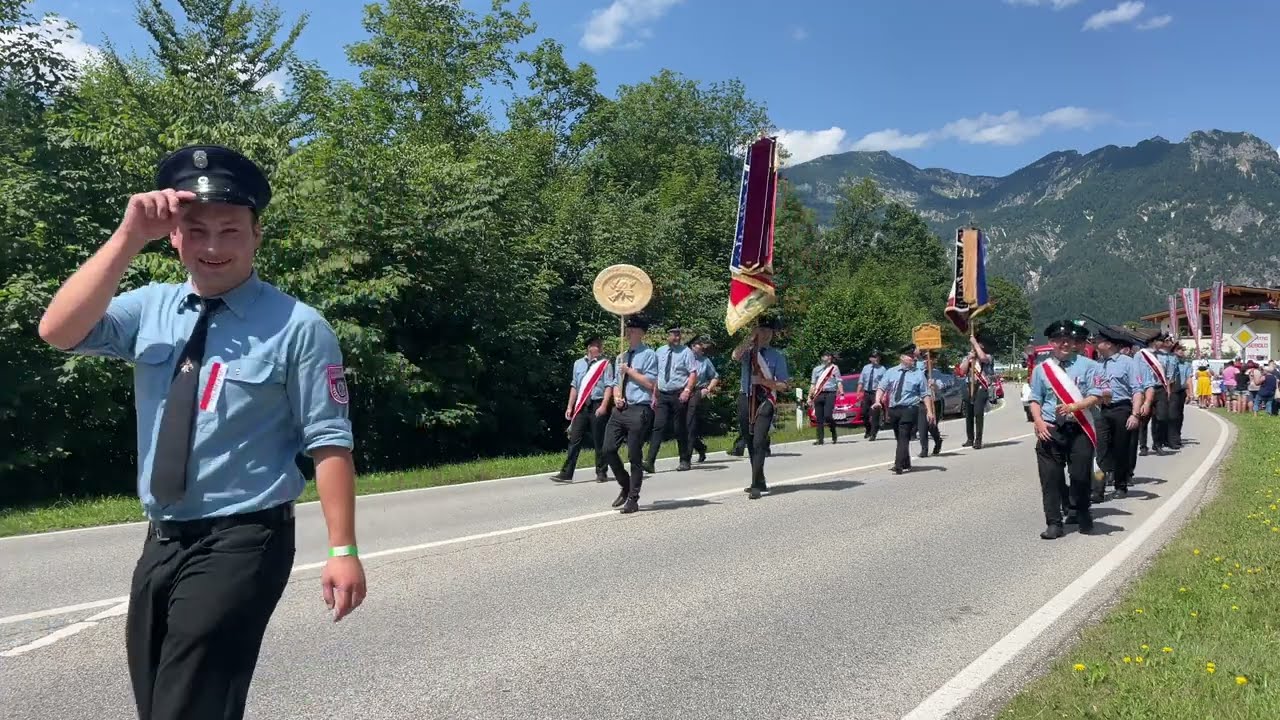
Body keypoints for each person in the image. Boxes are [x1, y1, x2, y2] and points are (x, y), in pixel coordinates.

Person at [37, 145, 365, 720]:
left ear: (257, 234)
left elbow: (328, 439)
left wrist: (344, 550)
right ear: (174, 237)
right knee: (162, 703)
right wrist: (127, 237)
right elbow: (58, 331)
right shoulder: (151, 308)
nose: (213, 246)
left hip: (245, 539)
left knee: (184, 709)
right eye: (197, 231)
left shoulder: (299, 327)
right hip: (163, 538)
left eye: (230, 230)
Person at [1028, 321, 1107, 539]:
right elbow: (1035, 399)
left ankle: (1082, 514)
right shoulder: (1041, 370)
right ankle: (1054, 523)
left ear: (1073, 342)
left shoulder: (1088, 365)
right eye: (1059, 340)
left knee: (1080, 476)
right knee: (1050, 478)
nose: (1064, 343)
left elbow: (1097, 395)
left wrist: (1076, 406)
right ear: (1051, 342)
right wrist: (1038, 421)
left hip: (1079, 427)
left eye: (1068, 340)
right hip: (1051, 428)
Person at [601, 315, 658, 514]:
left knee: (634, 455)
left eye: (634, 329)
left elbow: (651, 383)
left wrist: (630, 371)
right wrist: (617, 397)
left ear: (642, 333)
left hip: (639, 408)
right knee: (608, 449)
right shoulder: (621, 356)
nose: (629, 332)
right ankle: (625, 484)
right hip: (621, 409)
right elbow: (616, 383)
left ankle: (633, 498)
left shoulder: (649, 355)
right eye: (628, 329)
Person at [732, 315, 790, 499]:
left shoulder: (777, 356)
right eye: (762, 330)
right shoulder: (748, 352)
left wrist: (764, 381)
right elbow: (735, 355)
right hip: (746, 396)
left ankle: (755, 485)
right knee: (749, 441)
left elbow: (783, 385)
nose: (765, 334)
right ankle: (760, 477)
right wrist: (750, 338)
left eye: (768, 331)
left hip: (765, 400)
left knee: (758, 441)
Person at [1092, 328, 1150, 501]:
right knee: (1100, 452)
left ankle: (1120, 485)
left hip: (1121, 409)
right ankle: (1098, 488)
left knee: (1121, 450)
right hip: (1102, 410)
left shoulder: (1128, 363)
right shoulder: (1097, 364)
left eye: (1098, 341)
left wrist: (1135, 414)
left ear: (1109, 344)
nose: (1095, 344)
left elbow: (1137, 390)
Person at [553, 336, 613, 483]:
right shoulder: (578, 364)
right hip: (581, 405)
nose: (600, 347)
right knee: (574, 439)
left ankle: (601, 472)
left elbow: (608, 386)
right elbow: (575, 386)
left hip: (597, 403)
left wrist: (604, 405)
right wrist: (570, 406)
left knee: (599, 440)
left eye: (600, 345)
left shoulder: (605, 364)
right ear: (589, 347)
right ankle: (567, 473)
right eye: (597, 345)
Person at [644, 325, 698, 473]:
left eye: (678, 334)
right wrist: (654, 394)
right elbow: (656, 374)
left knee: (679, 428)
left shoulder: (686, 352)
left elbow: (693, 373)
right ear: (667, 336)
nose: (677, 338)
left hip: (678, 394)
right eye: (673, 335)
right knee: (658, 426)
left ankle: (684, 460)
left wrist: (687, 390)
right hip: (662, 394)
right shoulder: (659, 351)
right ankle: (650, 462)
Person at [873, 344, 934, 475]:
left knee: (904, 434)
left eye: (913, 357)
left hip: (910, 408)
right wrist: (877, 401)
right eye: (910, 357)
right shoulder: (891, 372)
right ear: (902, 357)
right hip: (894, 409)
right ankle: (906, 462)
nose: (913, 359)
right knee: (899, 437)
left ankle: (898, 464)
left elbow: (925, 394)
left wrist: (929, 411)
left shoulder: (918, 374)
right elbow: (881, 387)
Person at [956, 334, 994, 449]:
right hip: (969, 385)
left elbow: (982, 358)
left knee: (978, 413)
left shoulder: (988, 356)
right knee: (969, 414)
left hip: (981, 386)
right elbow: (962, 370)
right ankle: (970, 438)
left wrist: (975, 343)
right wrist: (969, 358)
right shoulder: (969, 356)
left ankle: (978, 440)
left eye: (979, 344)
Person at [688, 337, 720, 463]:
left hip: (697, 392)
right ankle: (699, 446)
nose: (700, 349)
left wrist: (708, 389)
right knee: (680, 425)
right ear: (692, 347)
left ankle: (686, 456)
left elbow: (715, 376)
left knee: (690, 423)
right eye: (698, 346)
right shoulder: (684, 359)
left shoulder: (704, 361)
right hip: (681, 392)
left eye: (701, 348)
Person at [808, 350, 844, 445]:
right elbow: (813, 384)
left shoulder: (834, 368)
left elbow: (839, 381)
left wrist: (842, 392)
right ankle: (820, 439)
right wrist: (809, 397)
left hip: (830, 393)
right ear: (822, 358)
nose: (828, 358)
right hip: (819, 394)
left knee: (828, 415)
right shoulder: (816, 369)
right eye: (826, 356)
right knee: (819, 418)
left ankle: (833, 430)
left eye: (829, 356)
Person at [917, 348, 943, 457]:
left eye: (929, 359)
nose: (926, 361)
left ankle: (938, 441)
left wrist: (934, 385)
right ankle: (924, 450)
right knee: (922, 427)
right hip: (922, 402)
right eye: (924, 359)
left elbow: (941, 387)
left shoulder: (936, 373)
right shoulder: (919, 373)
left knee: (931, 426)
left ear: (933, 360)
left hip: (934, 402)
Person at [857, 350, 884, 440]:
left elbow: (884, 383)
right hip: (867, 392)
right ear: (870, 358)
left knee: (875, 414)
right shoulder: (866, 368)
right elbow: (861, 381)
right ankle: (868, 429)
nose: (876, 359)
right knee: (864, 413)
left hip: (876, 393)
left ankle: (873, 434)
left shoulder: (882, 369)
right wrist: (858, 393)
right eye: (874, 357)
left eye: (878, 357)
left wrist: (883, 395)